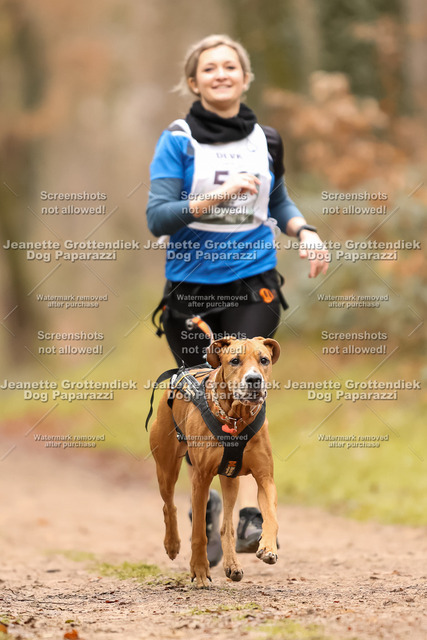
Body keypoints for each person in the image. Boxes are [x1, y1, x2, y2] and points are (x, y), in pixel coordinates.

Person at [146, 34, 329, 568]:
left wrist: (304, 230)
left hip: (253, 281)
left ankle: (250, 516)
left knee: (249, 381)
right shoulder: (178, 140)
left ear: (245, 78)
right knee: (199, 404)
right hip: (190, 293)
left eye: (230, 66)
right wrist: (218, 197)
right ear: (194, 81)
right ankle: (204, 508)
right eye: (210, 68)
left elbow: (277, 199)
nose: (221, 74)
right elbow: (158, 216)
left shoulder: (266, 139)